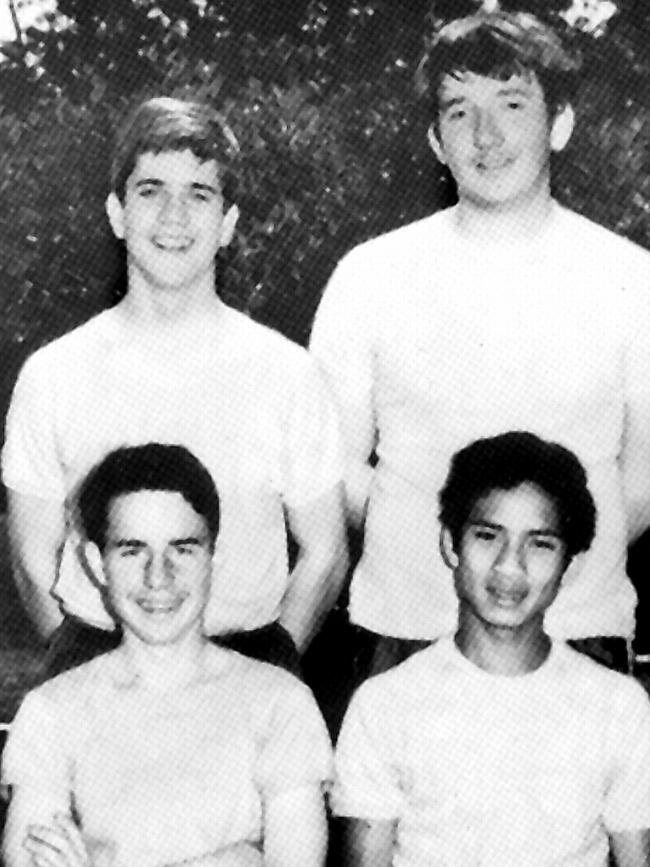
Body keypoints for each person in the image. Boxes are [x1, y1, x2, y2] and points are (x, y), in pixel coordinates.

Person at [309, 7, 650, 681]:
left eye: (512, 104)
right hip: (405, 631)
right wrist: (431, 543)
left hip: (577, 634)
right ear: (437, 139)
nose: (485, 135)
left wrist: (544, 565)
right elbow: (334, 465)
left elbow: (643, 480)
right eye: (459, 110)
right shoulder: (370, 275)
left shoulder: (631, 279)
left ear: (560, 123)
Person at [2, 96, 348, 678]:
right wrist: (84, 676)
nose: (173, 216)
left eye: (199, 194)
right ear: (116, 213)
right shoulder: (53, 372)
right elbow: (32, 559)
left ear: (228, 223)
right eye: (151, 190)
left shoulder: (287, 373)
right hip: (99, 658)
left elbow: (325, 551)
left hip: (245, 659)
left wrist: (269, 673)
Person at [2, 443, 332, 867]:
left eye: (183, 548)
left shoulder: (281, 704)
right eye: (132, 549)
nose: (159, 577)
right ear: (96, 564)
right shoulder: (51, 711)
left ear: (215, 557)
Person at [332, 431, 650, 867]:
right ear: (450, 544)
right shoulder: (385, 704)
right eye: (487, 536)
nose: (509, 566)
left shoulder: (618, 707)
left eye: (540, 544)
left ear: (568, 567)